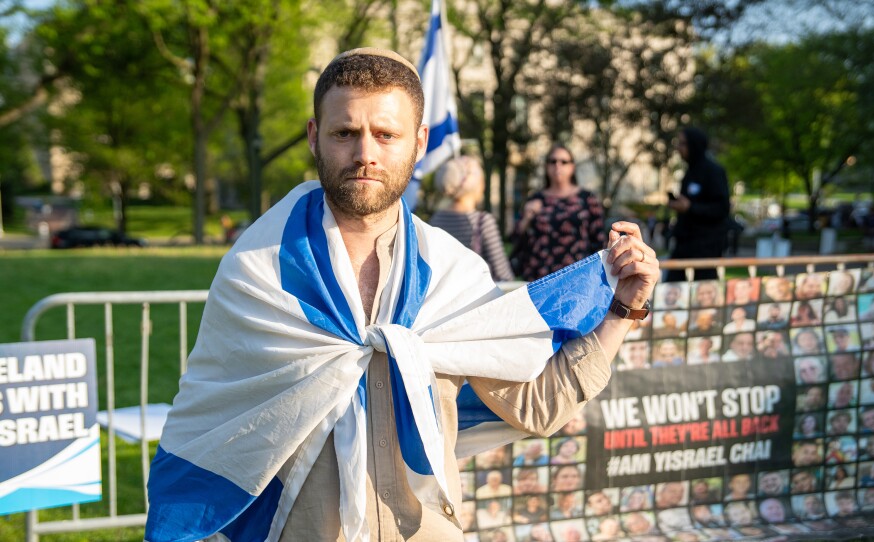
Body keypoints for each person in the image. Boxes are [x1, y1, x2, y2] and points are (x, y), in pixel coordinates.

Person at [144, 48, 661, 542]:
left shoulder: (452, 277)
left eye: (385, 134)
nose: (365, 153)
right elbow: (211, 428)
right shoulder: (257, 270)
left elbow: (537, 405)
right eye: (345, 132)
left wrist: (621, 309)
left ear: (418, 142)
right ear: (313, 137)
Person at [510, 143, 606, 281]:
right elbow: (515, 236)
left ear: (572, 167)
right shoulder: (535, 199)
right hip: (539, 278)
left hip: (577, 277)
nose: (557, 165)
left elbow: (599, 241)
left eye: (564, 162)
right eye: (552, 161)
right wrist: (527, 216)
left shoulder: (587, 199)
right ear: (546, 166)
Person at [430, 155, 514, 281]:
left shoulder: (435, 219)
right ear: (477, 185)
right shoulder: (482, 222)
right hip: (476, 296)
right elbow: (503, 274)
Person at [665, 127, 731, 282]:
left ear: (694, 145)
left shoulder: (713, 171)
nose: (678, 148)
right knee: (672, 292)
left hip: (705, 250)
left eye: (683, 144)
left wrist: (691, 208)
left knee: (703, 298)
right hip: (683, 246)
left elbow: (722, 208)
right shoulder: (689, 172)